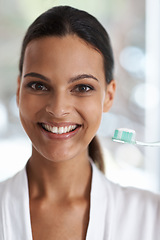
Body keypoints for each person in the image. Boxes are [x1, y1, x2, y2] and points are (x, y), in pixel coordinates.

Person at [0, 5, 160, 240]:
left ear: (109, 96)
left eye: (82, 87)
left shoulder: (151, 217)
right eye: (38, 85)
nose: (58, 109)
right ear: (18, 90)